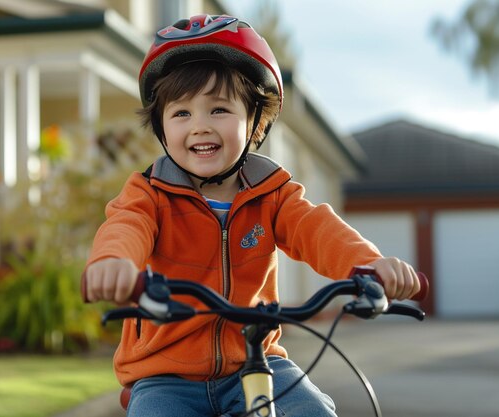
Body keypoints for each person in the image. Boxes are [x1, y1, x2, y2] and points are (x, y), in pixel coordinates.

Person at [83, 14, 421, 417]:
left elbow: (318, 229)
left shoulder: (272, 194)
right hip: (165, 375)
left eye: (219, 110)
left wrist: (370, 266)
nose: (200, 127)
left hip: (257, 360)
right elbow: (125, 228)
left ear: (255, 121)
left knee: (312, 411)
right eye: (181, 114)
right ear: (160, 126)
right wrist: (114, 265)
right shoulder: (149, 195)